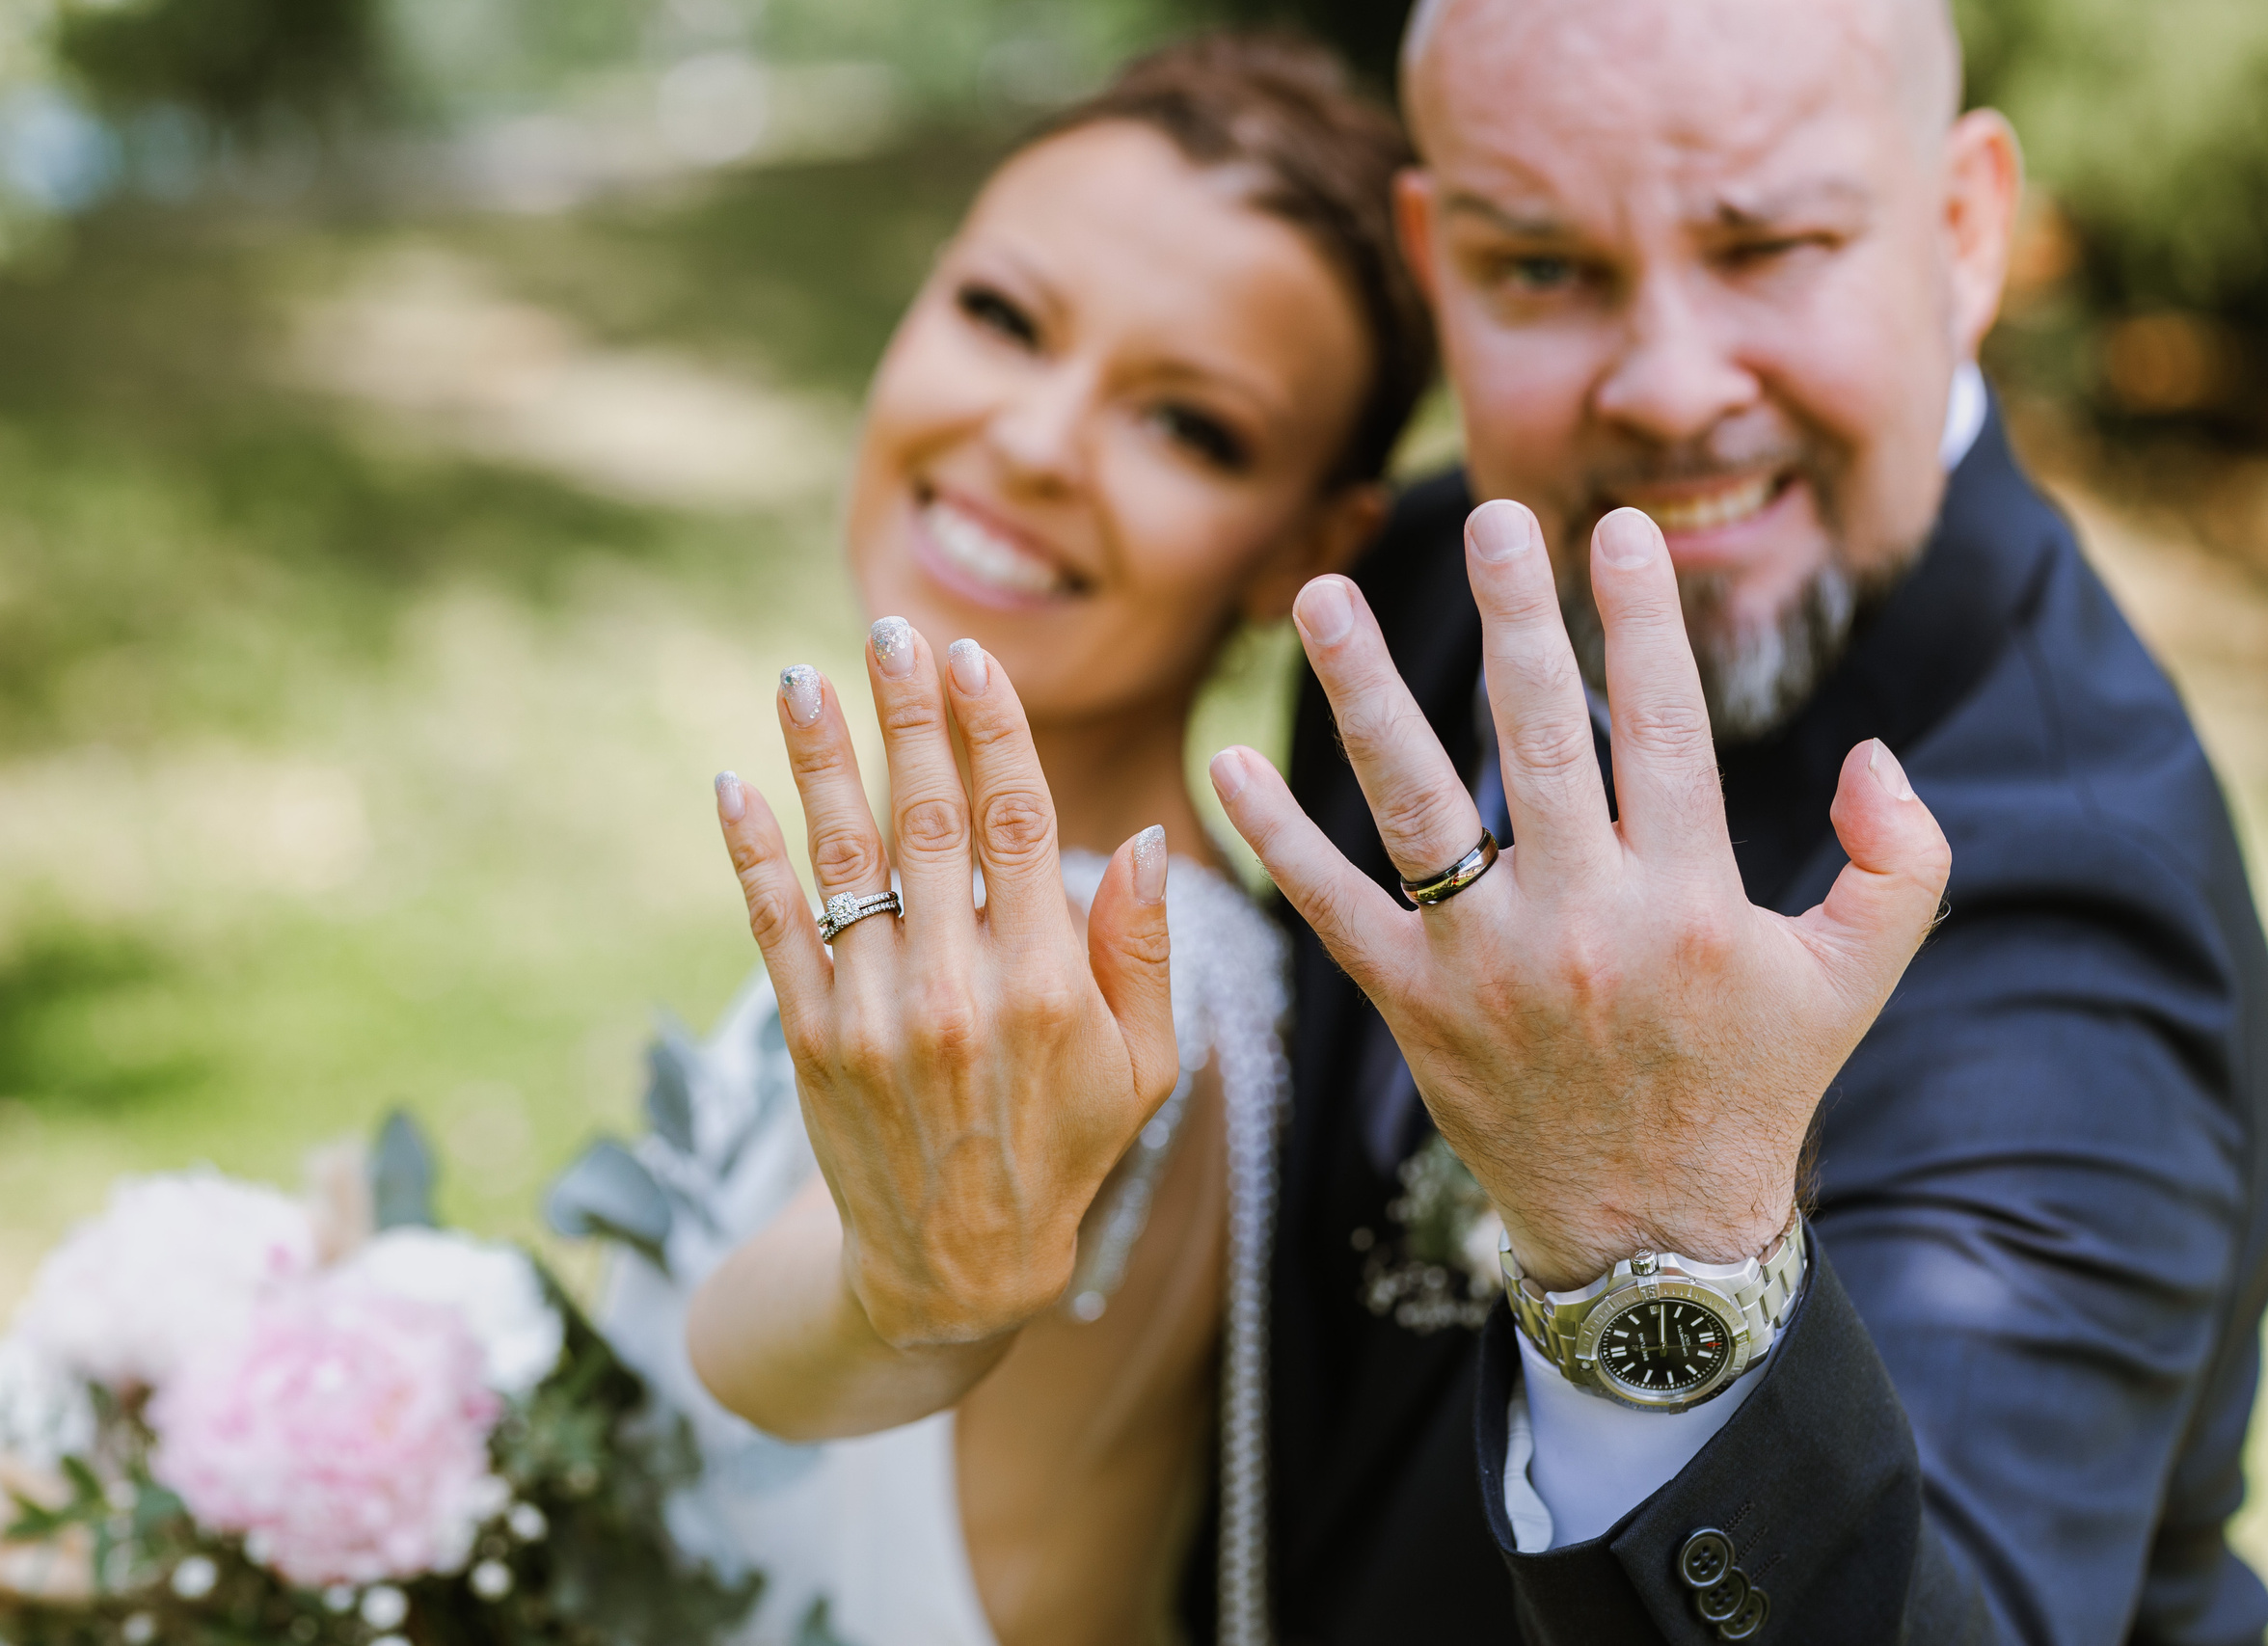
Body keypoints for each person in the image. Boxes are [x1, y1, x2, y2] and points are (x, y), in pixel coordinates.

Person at [1192, 0, 2268, 1640]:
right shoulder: (1423, 582)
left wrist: (1653, 1243)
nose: (1671, 388)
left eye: (1770, 246)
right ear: (1435, 257)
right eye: (1540, 266)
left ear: (1965, 231)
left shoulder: (2069, 913)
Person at [577, 36, 1436, 1646]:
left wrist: (893, 1295)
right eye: (1002, 316)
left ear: (1305, 552)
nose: (1037, 440)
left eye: (1189, 427)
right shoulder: (1096, 925)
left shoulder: (1105, 985)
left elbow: (812, 1347)